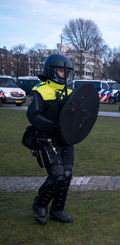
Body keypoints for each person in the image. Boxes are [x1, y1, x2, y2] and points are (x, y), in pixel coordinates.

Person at [26, 54, 75, 224]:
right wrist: (54, 126)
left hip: (66, 140)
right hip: (47, 139)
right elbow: (33, 115)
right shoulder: (41, 90)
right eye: (62, 71)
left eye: (66, 72)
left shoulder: (69, 91)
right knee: (57, 176)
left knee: (67, 175)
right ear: (52, 71)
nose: (65, 75)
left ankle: (57, 210)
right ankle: (40, 204)